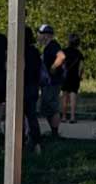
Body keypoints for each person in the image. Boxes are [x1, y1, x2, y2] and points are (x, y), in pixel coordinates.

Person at [37, 24, 65, 139]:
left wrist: (53, 67)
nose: (38, 36)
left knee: (52, 107)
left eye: (39, 34)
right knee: (47, 107)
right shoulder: (48, 47)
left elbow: (61, 56)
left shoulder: (53, 45)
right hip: (48, 82)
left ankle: (55, 133)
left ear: (46, 35)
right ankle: (53, 131)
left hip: (52, 82)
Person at [22, 26, 45, 154]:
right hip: (33, 87)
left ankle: (19, 144)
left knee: (18, 118)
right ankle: (37, 143)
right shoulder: (35, 51)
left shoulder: (17, 51)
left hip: (21, 87)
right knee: (32, 116)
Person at [60, 33, 84, 124]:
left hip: (65, 76)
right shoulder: (79, 53)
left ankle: (64, 116)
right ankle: (73, 117)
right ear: (78, 43)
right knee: (73, 95)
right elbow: (81, 66)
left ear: (68, 42)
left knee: (64, 96)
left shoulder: (63, 51)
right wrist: (80, 75)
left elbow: (60, 64)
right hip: (74, 77)